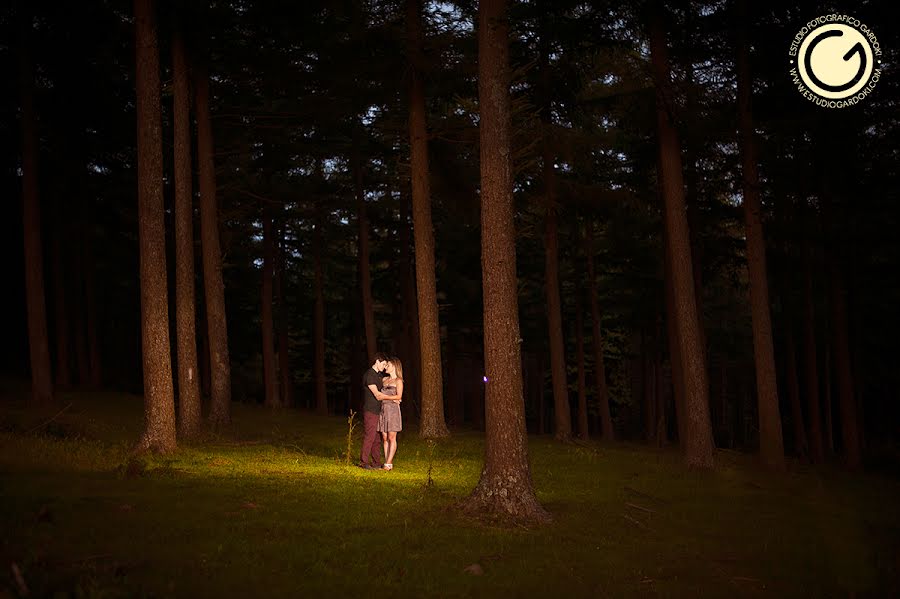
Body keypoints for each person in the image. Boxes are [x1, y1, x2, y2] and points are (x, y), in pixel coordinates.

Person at [359, 353, 390, 470]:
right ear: (377, 361)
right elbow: (377, 395)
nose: (384, 367)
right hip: (370, 410)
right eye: (383, 364)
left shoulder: (378, 375)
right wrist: (394, 397)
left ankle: (376, 463)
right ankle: (363, 462)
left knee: (377, 438)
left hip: (378, 411)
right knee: (370, 436)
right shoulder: (369, 375)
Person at [377, 357, 403, 471]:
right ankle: (387, 462)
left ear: (394, 366)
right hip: (383, 409)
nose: (386, 367)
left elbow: (399, 397)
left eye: (388, 365)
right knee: (384, 437)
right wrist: (389, 398)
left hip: (393, 411)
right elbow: (377, 394)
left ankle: (388, 463)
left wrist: (385, 397)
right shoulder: (384, 380)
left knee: (392, 437)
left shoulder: (398, 380)